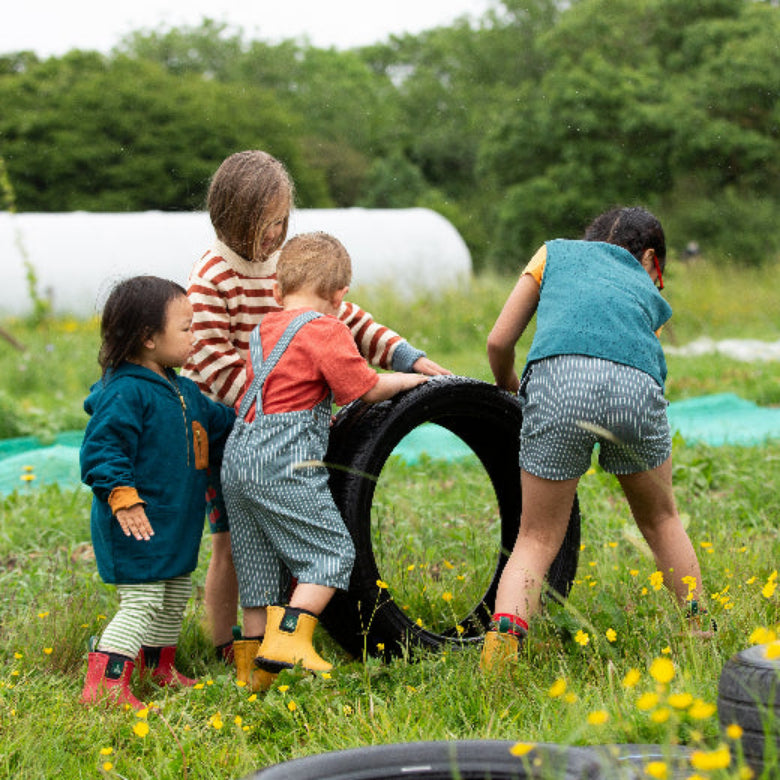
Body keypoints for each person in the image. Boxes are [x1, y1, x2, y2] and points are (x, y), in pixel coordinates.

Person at [181, 150, 450, 666]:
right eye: (264, 224)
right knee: (231, 544)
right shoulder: (213, 274)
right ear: (233, 219)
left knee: (265, 552)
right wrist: (268, 397)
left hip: (262, 426)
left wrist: (406, 356)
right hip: (227, 422)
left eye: (281, 221)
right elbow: (207, 355)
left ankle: (260, 653)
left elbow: (345, 319)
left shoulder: (284, 267)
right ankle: (226, 644)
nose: (274, 234)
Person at [481, 206, 709, 671]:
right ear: (651, 258)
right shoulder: (643, 284)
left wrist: (508, 387)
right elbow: (633, 350)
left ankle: (498, 661)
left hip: (559, 386)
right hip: (635, 391)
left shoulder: (553, 255)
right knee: (662, 520)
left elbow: (499, 342)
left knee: (536, 537)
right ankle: (699, 633)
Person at [221, 232, 428, 688]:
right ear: (340, 296)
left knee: (258, 574)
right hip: (282, 461)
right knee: (330, 554)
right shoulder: (326, 329)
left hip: (238, 459)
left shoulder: (264, 329)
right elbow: (365, 389)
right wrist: (409, 382)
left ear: (277, 289)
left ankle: (252, 677)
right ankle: (290, 639)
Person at [79, 276, 235, 709]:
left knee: (173, 596)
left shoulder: (183, 391)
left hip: (174, 524)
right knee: (143, 601)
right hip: (137, 522)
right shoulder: (125, 392)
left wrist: (265, 418)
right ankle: (105, 685)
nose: (194, 336)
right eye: (186, 328)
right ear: (148, 338)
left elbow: (222, 423)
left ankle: (157, 668)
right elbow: (103, 449)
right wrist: (122, 496)